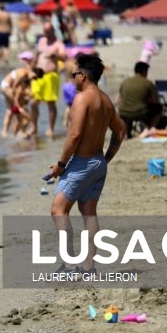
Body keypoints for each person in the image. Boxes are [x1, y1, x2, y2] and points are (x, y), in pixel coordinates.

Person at [45, 54, 127, 273]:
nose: (72, 78)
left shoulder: (82, 98)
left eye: (74, 74)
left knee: (58, 210)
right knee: (88, 212)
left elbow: (74, 136)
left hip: (82, 163)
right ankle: (89, 267)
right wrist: (106, 158)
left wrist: (61, 165)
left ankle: (70, 264)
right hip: (98, 162)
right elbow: (120, 130)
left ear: (82, 75)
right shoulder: (105, 100)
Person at [31, 24, 66, 137]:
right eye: (44, 31)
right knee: (33, 102)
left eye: (47, 31)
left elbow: (64, 58)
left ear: (53, 31)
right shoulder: (41, 40)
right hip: (38, 75)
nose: (45, 33)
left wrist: (55, 55)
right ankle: (34, 128)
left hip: (51, 75)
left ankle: (51, 128)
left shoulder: (58, 43)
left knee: (50, 103)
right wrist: (33, 65)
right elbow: (37, 55)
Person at [116, 61, 161, 138]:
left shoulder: (125, 82)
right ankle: (150, 129)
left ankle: (127, 132)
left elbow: (117, 100)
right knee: (159, 108)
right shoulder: (148, 83)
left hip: (123, 112)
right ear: (144, 72)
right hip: (139, 113)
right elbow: (155, 101)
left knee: (130, 111)